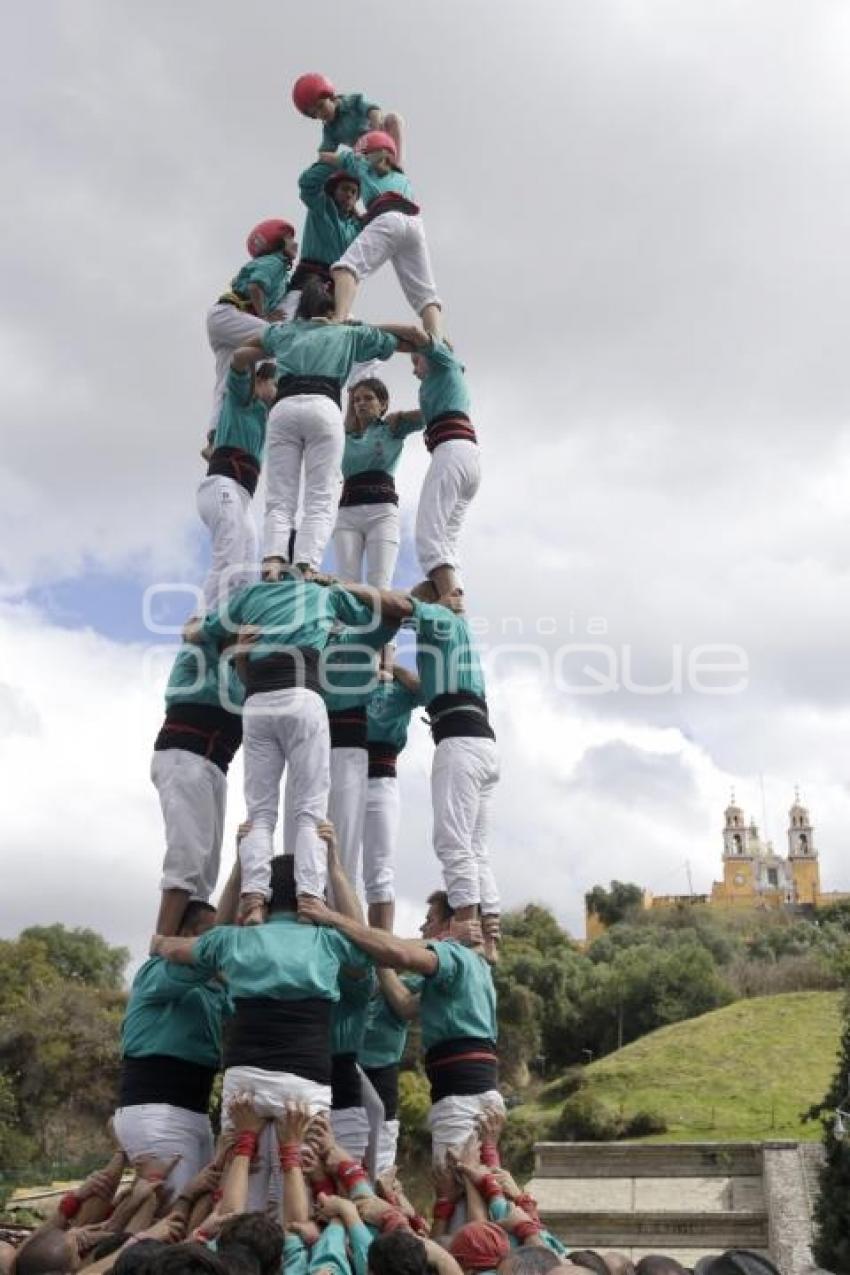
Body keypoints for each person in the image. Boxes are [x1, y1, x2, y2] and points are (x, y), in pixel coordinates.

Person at [151, 846, 372, 1213]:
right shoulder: (329, 941)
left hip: (244, 1079)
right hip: (305, 1084)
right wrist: (335, 872)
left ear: (262, 897)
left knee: (242, 1191)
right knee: (297, 1191)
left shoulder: (234, 940)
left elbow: (185, 949)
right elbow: (364, 939)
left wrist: (161, 942)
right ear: (309, 896)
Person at [185, 569, 399, 921]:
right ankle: (310, 899)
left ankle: (254, 900)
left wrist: (214, 638)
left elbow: (199, 633)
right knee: (310, 809)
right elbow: (389, 611)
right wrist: (339, 585)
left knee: (261, 812)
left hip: (257, 704)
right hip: (301, 698)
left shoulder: (251, 597)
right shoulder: (322, 595)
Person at [298, 889, 504, 1164]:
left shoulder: (453, 959)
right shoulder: (471, 964)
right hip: (463, 1089)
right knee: (472, 1182)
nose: (422, 925)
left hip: (457, 1092)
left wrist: (334, 920)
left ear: (451, 923)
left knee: (458, 1182)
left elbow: (401, 979)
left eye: (430, 919)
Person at [248, 278, 422, 574]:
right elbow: (403, 340)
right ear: (336, 309)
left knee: (280, 495)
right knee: (321, 494)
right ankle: (306, 563)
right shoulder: (346, 333)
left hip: (284, 408)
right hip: (323, 406)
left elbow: (251, 345)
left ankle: (273, 559)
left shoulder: (285, 332)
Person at [405, 582, 500, 952]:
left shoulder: (439, 618)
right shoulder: (457, 639)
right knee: (476, 848)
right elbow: (418, 685)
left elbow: (399, 607)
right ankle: (490, 937)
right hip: (484, 744)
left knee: (452, 841)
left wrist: (428, 603)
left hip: (459, 743)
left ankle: (465, 928)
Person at [114, 902, 230, 1200]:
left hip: (196, 1113)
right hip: (157, 1110)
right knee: (170, 1215)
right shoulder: (158, 970)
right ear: (185, 934)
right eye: (208, 933)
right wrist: (167, 947)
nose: (215, 941)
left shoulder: (214, 987)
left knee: (195, 1210)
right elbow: (204, 960)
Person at [150, 640, 244, 937]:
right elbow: (197, 630)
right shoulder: (201, 651)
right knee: (188, 855)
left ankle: (190, 943)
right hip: (185, 756)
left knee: (205, 873)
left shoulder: (243, 673)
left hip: (215, 766)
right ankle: (161, 950)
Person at [322, 133, 442, 338]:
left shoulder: (361, 163)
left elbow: (325, 157)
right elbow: (395, 123)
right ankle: (437, 340)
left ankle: (339, 319)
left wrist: (330, 140)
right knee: (425, 294)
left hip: (388, 220)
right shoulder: (402, 176)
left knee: (344, 269)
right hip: (414, 225)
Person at [387, 334, 479, 598]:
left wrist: (375, 331)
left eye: (416, 362)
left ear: (432, 356)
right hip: (467, 456)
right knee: (447, 540)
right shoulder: (441, 386)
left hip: (451, 453)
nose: (415, 371)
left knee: (429, 539)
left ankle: (451, 604)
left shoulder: (445, 363)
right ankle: (450, 596)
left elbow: (419, 334)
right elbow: (425, 417)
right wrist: (403, 417)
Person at [197, 350, 277, 612]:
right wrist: (268, 340)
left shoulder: (265, 418)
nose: (279, 393)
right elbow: (241, 360)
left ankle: (232, 630)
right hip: (222, 486)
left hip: (240, 496)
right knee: (228, 559)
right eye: (275, 384)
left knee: (245, 571)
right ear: (261, 382)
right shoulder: (242, 399)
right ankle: (201, 623)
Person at [206, 220, 297, 433]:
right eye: (289, 238)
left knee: (224, 383)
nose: (295, 243)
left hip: (223, 321)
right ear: (277, 242)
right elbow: (255, 286)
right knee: (280, 338)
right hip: (230, 315)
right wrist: (265, 314)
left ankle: (214, 436)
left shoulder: (274, 267)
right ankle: (268, 381)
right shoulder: (274, 262)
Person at [333, 377, 423, 590]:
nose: (361, 403)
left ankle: (379, 622)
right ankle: (344, 624)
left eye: (368, 398)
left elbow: (429, 413)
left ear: (383, 403)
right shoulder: (343, 436)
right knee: (347, 584)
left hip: (381, 513)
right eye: (356, 400)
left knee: (379, 585)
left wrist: (401, 416)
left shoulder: (390, 428)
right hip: (347, 514)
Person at [362, 669, 421, 930]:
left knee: (380, 873)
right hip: (341, 777)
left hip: (382, 780)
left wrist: (393, 669)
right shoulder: (345, 678)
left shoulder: (398, 688)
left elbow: (427, 692)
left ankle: (381, 955)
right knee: (339, 867)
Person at [281, 161, 363, 321]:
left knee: (340, 328)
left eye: (354, 192)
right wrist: (336, 162)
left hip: (334, 287)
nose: (349, 195)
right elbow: (307, 184)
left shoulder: (357, 226)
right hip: (306, 281)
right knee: (287, 323)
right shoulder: (321, 206)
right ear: (333, 190)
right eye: (345, 189)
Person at [291, 72, 404, 161]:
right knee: (346, 162)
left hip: (380, 136)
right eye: (315, 113)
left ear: (330, 97)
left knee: (393, 118)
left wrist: (376, 135)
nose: (321, 114)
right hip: (362, 152)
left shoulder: (351, 102)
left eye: (321, 106)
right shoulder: (330, 130)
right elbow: (325, 152)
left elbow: (374, 112)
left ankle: (396, 166)